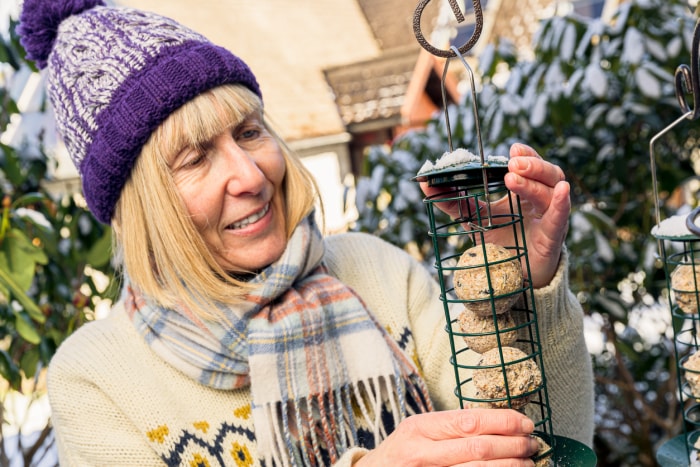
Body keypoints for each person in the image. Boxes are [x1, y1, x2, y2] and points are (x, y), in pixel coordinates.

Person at [17, 0, 594, 465]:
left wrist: (521, 280)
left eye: (248, 132)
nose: (249, 175)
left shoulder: (375, 271)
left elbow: (549, 442)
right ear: (138, 208)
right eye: (194, 159)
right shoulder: (97, 379)